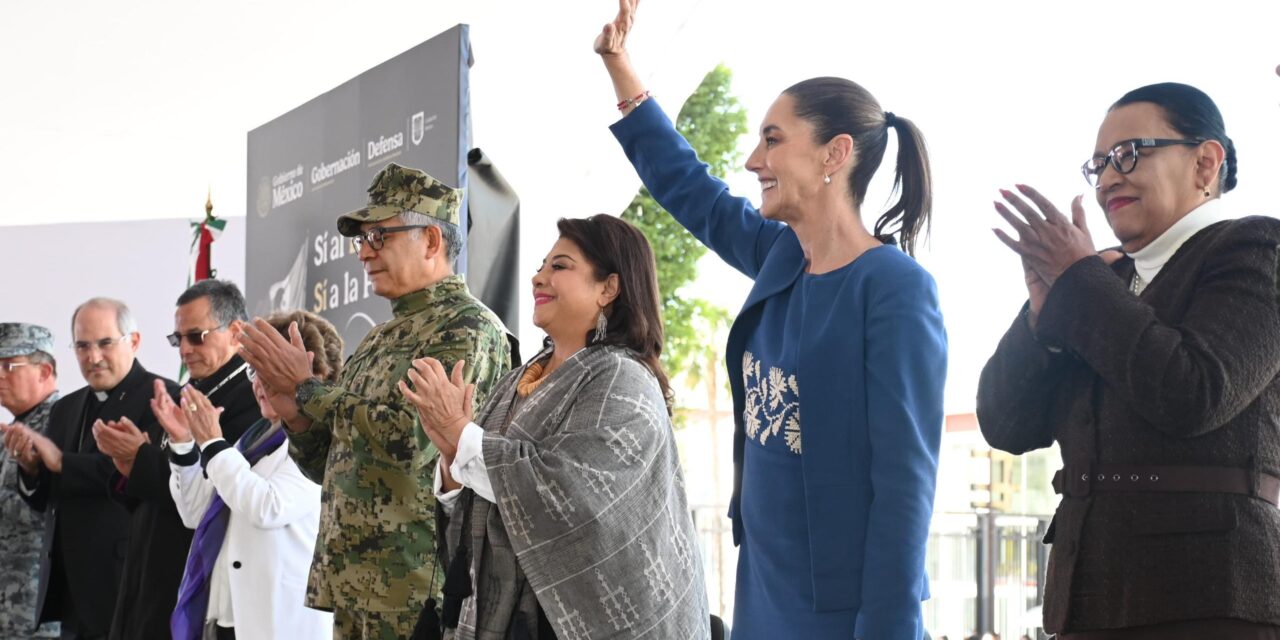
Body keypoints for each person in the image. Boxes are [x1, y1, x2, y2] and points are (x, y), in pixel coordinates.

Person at [594, 2, 947, 638]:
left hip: (844, 613)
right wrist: (622, 70)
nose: (755, 160)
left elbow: (905, 486)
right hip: (762, 591)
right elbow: (692, 191)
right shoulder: (779, 256)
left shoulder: (895, 290)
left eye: (773, 140)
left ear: (834, 154)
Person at [979, 82, 1280, 638]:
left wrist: (1079, 281)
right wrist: (1041, 324)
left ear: (1205, 163)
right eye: (1098, 165)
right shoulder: (1098, 284)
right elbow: (1006, 425)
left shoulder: (1257, 249)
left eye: (1129, 153)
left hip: (1213, 600)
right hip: (1086, 597)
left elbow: (1195, 393)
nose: (1109, 177)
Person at [239, 162, 514, 639]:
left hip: (415, 587)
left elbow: (416, 439)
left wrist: (308, 390)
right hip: (358, 586)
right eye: (362, 240)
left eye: (379, 237)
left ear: (431, 240)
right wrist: (297, 420)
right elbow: (335, 463)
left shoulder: (467, 328)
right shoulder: (378, 338)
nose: (365, 254)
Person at [401, 214, 709, 639]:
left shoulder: (624, 380)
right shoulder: (518, 379)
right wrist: (453, 456)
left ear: (609, 288)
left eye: (559, 267)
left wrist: (463, 433)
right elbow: (483, 507)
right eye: (541, 266)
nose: (537, 278)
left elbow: (574, 496)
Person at [90, 280, 262, 640]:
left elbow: (216, 495)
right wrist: (127, 466)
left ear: (235, 332)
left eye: (196, 336)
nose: (184, 349)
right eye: (177, 338)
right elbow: (148, 485)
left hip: (189, 572)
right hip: (146, 567)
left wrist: (142, 458)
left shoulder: (252, 400)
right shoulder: (187, 393)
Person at [162, 310, 341, 640]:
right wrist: (186, 445)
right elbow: (196, 512)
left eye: (269, 371)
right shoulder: (253, 437)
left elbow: (267, 506)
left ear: (308, 373)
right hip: (231, 620)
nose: (258, 384)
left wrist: (214, 444)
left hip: (280, 623)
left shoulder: (319, 438)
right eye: (253, 371)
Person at [6, 299, 178, 639]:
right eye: (83, 346)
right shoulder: (67, 408)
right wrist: (32, 469)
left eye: (104, 343)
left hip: (127, 578)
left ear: (134, 341)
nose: (93, 356)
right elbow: (50, 496)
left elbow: (138, 475)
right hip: (70, 588)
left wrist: (62, 461)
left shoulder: (163, 399)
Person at [0, 323, 62, 639]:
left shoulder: (62, 423)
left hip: (36, 612)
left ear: (44, 370)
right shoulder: (11, 430)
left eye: (9, 365)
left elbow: (48, 511)